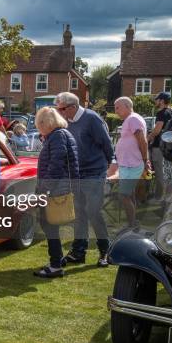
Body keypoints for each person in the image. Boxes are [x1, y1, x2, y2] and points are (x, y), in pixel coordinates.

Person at [55, 92, 113, 267]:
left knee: (94, 212)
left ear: (72, 107)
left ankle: (106, 252)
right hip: (78, 173)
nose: (59, 112)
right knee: (79, 213)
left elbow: (107, 145)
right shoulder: (67, 122)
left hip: (95, 172)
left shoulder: (92, 119)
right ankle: (78, 252)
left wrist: (104, 166)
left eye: (62, 109)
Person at [33, 107, 79, 278]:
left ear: (47, 123)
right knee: (51, 225)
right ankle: (57, 260)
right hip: (60, 186)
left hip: (56, 188)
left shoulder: (57, 136)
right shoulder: (60, 135)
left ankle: (55, 265)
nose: (39, 129)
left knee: (49, 225)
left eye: (40, 125)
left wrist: (43, 190)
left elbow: (55, 166)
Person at [110, 97, 149, 227]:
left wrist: (145, 160)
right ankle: (133, 223)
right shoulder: (131, 119)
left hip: (132, 164)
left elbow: (142, 141)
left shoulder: (132, 119)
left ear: (127, 106)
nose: (116, 111)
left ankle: (132, 225)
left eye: (117, 107)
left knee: (123, 195)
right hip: (128, 164)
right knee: (129, 194)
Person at [148, 92, 172, 205]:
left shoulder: (161, 113)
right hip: (169, 148)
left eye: (157, 99)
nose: (155, 101)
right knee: (168, 173)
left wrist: (147, 138)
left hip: (159, 147)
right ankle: (168, 197)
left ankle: (159, 198)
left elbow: (157, 129)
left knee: (160, 173)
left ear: (162, 101)